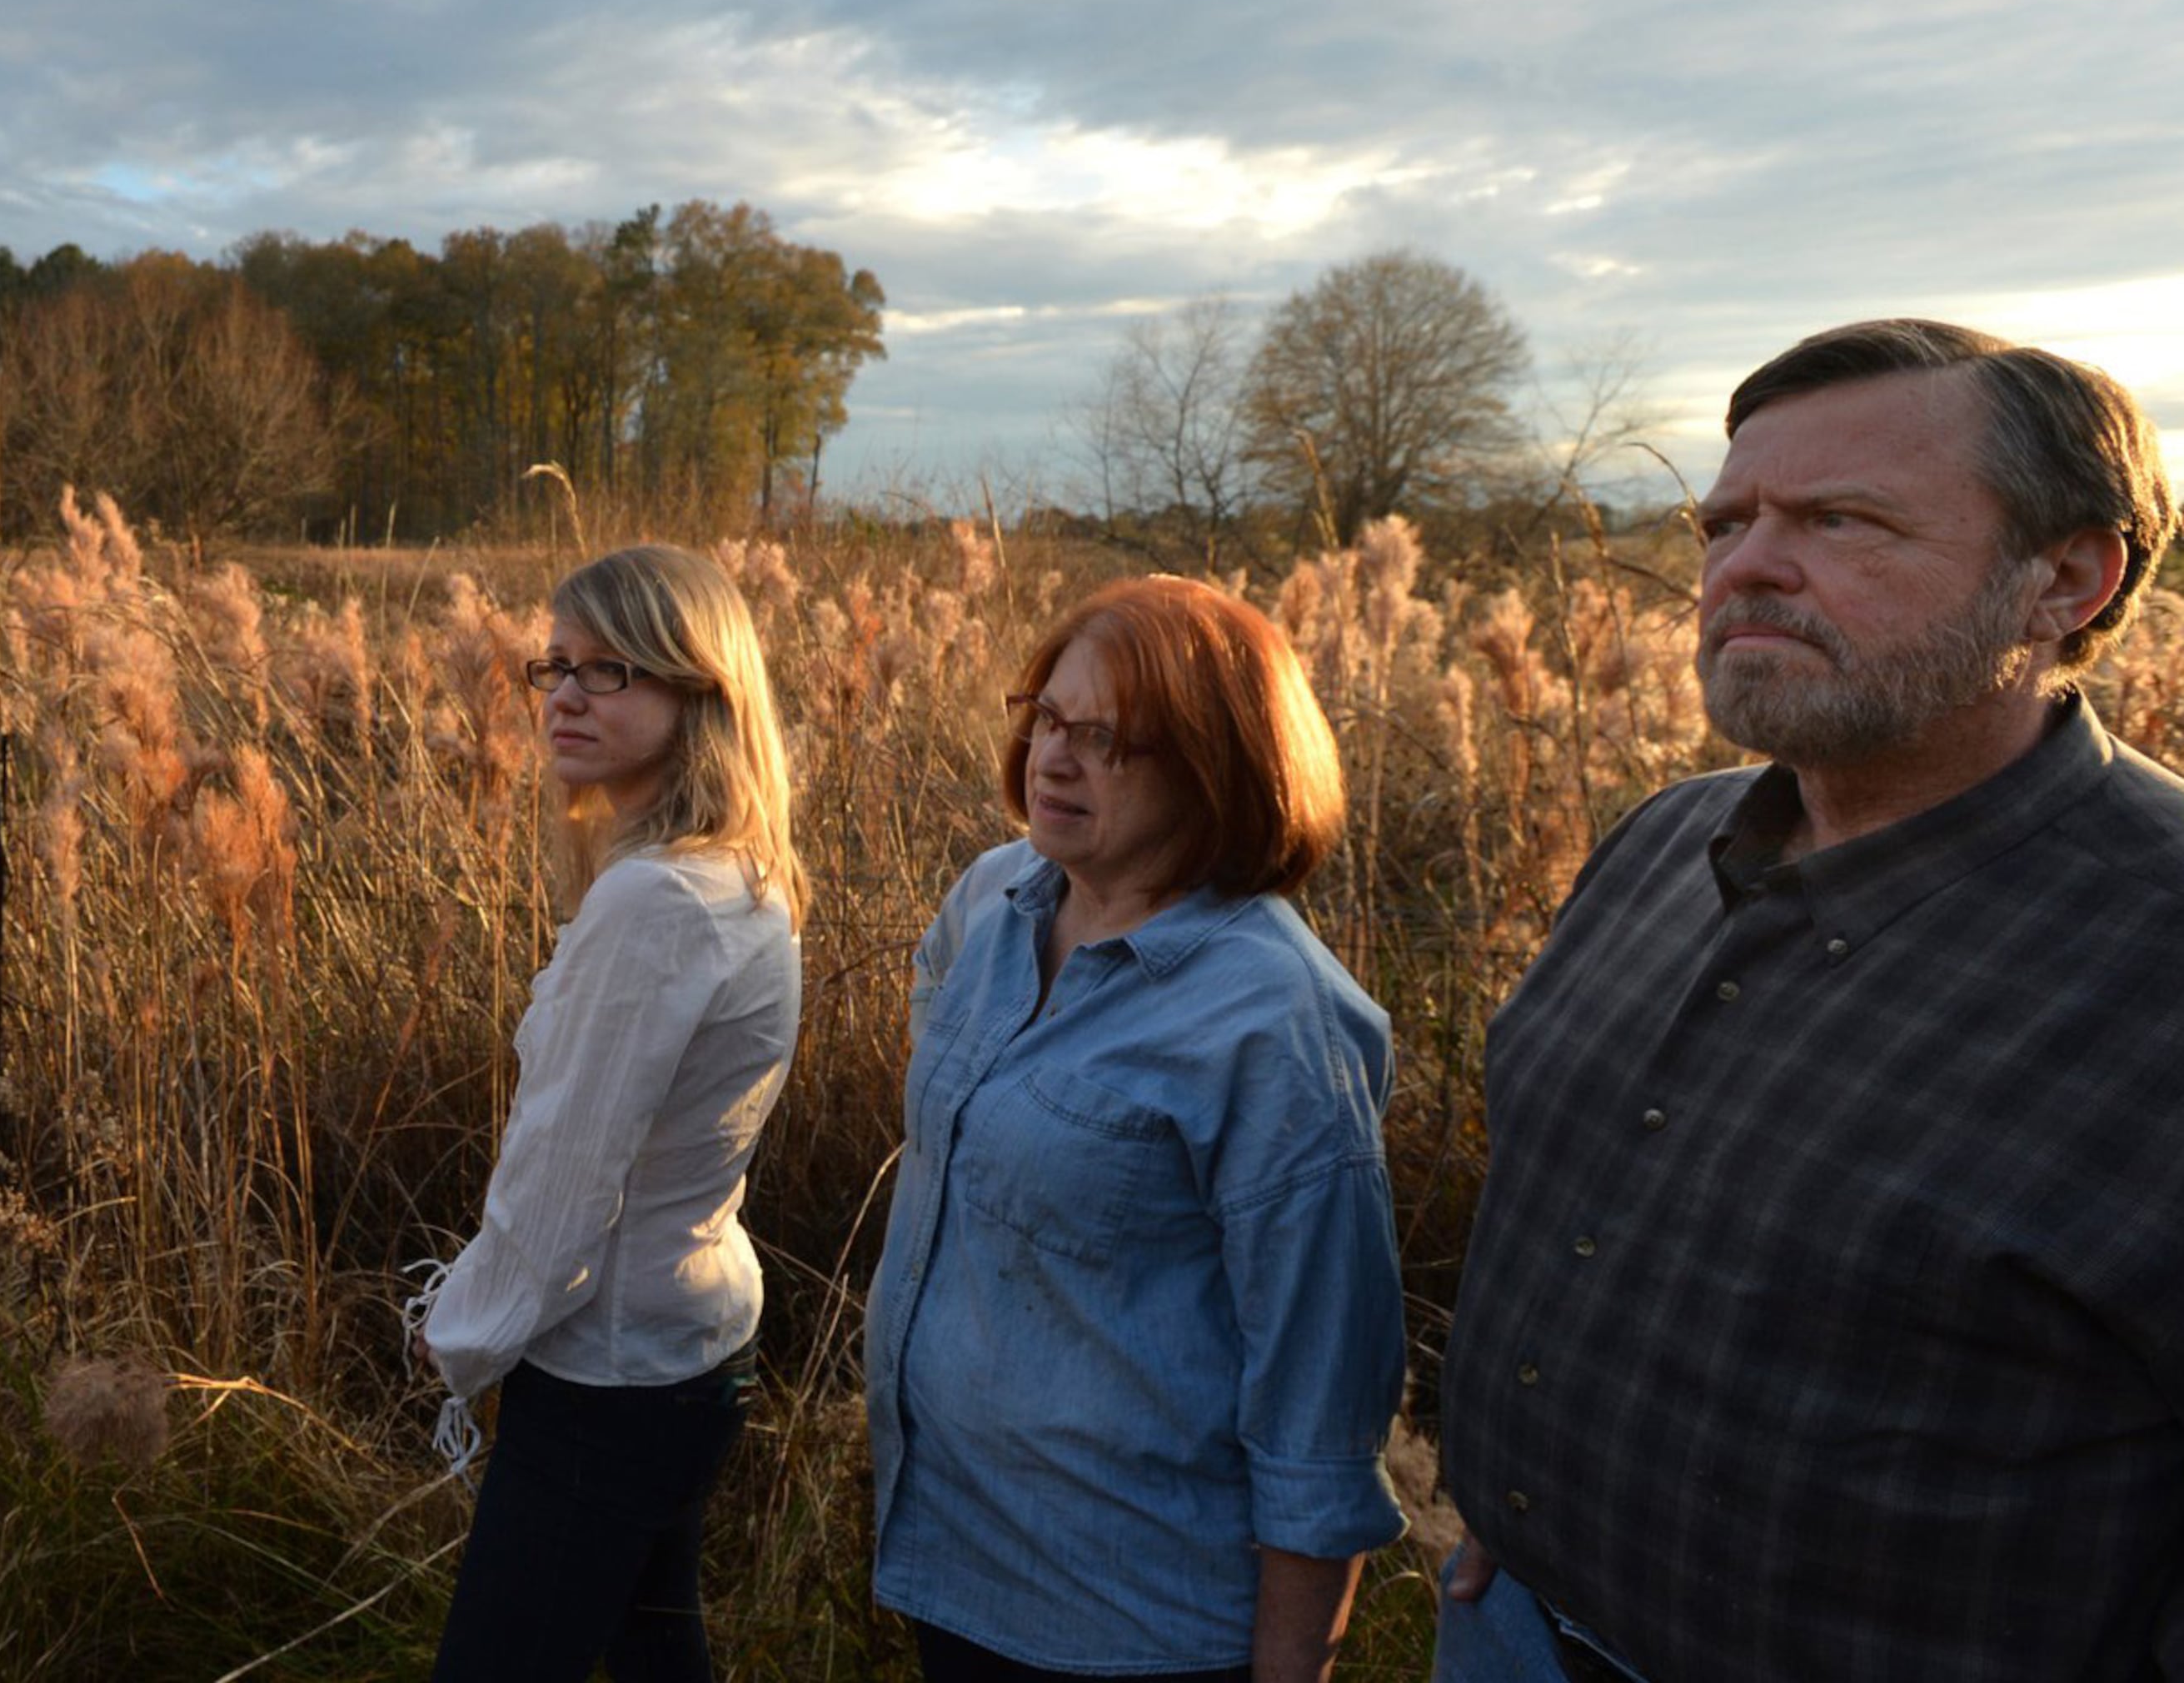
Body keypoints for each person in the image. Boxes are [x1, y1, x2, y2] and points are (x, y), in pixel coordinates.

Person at [1434, 320, 2184, 1682]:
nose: (1744, 568)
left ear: (2064, 578)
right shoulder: (1664, 841)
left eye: (1841, 521)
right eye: (1727, 523)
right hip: (1505, 1624)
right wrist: (1517, 1517)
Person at [868, 574, 1406, 1683]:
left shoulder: (1276, 1023)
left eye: (1112, 740)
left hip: (1129, 1616)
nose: (1054, 759)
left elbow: (1321, 1396)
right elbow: (936, 1019)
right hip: (950, 1560)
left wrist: (1292, 1672)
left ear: (1219, 766)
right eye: (1050, 719)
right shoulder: (996, 899)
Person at [410, 544, 805, 1683]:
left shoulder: (655, 899)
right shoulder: (740, 871)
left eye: (615, 669)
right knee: (650, 1648)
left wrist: (463, 1341)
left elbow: (565, 1172)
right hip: (695, 1345)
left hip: (610, 1373)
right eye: (558, 665)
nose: (568, 695)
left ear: (700, 694)